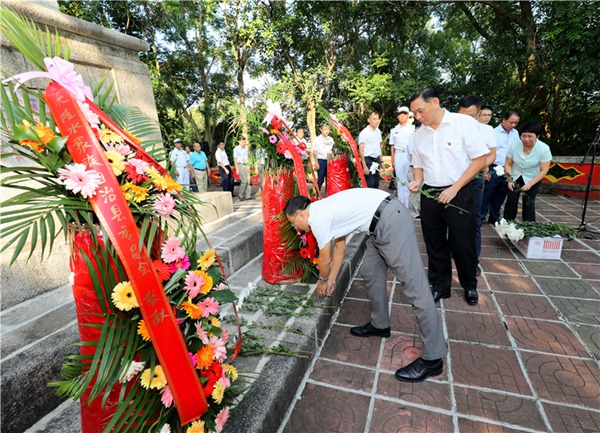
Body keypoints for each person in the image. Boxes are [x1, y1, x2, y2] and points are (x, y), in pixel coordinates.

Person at [284, 189, 448, 382]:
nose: (298, 229)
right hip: (379, 224)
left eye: (294, 223)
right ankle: (380, 325)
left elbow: (325, 259)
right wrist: (332, 279)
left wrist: (322, 280)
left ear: (301, 214)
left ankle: (433, 359)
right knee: (370, 270)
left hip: (391, 223)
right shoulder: (325, 209)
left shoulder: (317, 218)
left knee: (416, 289)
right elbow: (340, 247)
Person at [408, 88, 488, 306]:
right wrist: (417, 180)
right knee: (434, 243)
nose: (418, 117)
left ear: (435, 102)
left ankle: (469, 285)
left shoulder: (463, 124)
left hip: (459, 192)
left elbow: (480, 159)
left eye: (420, 111)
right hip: (430, 194)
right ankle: (440, 286)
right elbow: (419, 165)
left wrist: (455, 188)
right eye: (414, 113)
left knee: (463, 243)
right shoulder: (418, 135)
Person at [458, 96, 497, 276]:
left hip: (474, 180)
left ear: (479, 114)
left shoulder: (486, 130)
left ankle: (473, 260)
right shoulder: (450, 128)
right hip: (452, 181)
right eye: (463, 115)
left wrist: (477, 169)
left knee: (474, 221)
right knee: (452, 220)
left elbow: (491, 155)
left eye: (471, 116)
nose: (466, 120)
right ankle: (454, 252)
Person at [504, 122, 552, 221]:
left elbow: (544, 170)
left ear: (537, 136)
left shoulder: (544, 148)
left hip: (533, 177)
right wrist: (509, 179)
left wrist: (530, 184)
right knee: (511, 200)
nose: (526, 139)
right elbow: (508, 164)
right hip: (515, 175)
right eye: (523, 136)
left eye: (530, 136)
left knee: (529, 202)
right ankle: (507, 224)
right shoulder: (514, 145)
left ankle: (528, 226)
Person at [480, 110, 521, 224]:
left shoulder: (515, 133)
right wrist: (486, 169)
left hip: (507, 168)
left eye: (515, 123)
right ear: (504, 120)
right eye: (511, 122)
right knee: (488, 193)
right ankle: (481, 216)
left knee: (501, 194)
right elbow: (486, 151)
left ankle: (494, 217)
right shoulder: (493, 132)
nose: (513, 125)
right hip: (493, 166)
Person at [389, 106, 415, 206]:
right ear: (397, 117)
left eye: (404, 114)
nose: (402, 117)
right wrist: (393, 160)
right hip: (398, 155)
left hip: (409, 155)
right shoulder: (394, 130)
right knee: (400, 180)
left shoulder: (413, 129)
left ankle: (409, 204)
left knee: (409, 179)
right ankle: (401, 203)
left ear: (408, 116)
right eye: (400, 115)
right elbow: (392, 146)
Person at [358, 112, 383, 189]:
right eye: (374, 119)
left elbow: (378, 147)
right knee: (370, 184)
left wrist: (381, 161)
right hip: (368, 160)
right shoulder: (364, 133)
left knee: (376, 183)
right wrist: (364, 166)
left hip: (376, 160)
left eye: (377, 119)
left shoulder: (378, 131)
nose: (376, 121)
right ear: (369, 120)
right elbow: (361, 151)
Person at [311, 124, 335, 194]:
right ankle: (317, 194)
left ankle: (327, 194)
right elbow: (314, 151)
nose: (326, 131)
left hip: (329, 161)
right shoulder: (317, 139)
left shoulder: (331, 139)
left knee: (329, 179)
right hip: (321, 160)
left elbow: (334, 150)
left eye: (327, 129)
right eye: (324, 129)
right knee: (320, 179)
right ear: (321, 130)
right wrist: (316, 162)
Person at [406, 120, 422, 218]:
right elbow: (413, 156)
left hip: (419, 169)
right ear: (417, 128)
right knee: (414, 193)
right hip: (414, 169)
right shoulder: (413, 139)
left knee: (418, 193)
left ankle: (416, 211)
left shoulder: (420, 138)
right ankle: (413, 213)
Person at [234, 136, 252, 201]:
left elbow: (249, 155)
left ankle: (248, 195)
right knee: (244, 181)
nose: (243, 143)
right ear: (239, 142)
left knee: (248, 181)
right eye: (242, 142)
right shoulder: (236, 149)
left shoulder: (246, 148)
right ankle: (240, 194)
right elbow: (235, 159)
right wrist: (237, 168)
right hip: (240, 165)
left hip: (247, 164)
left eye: (244, 142)